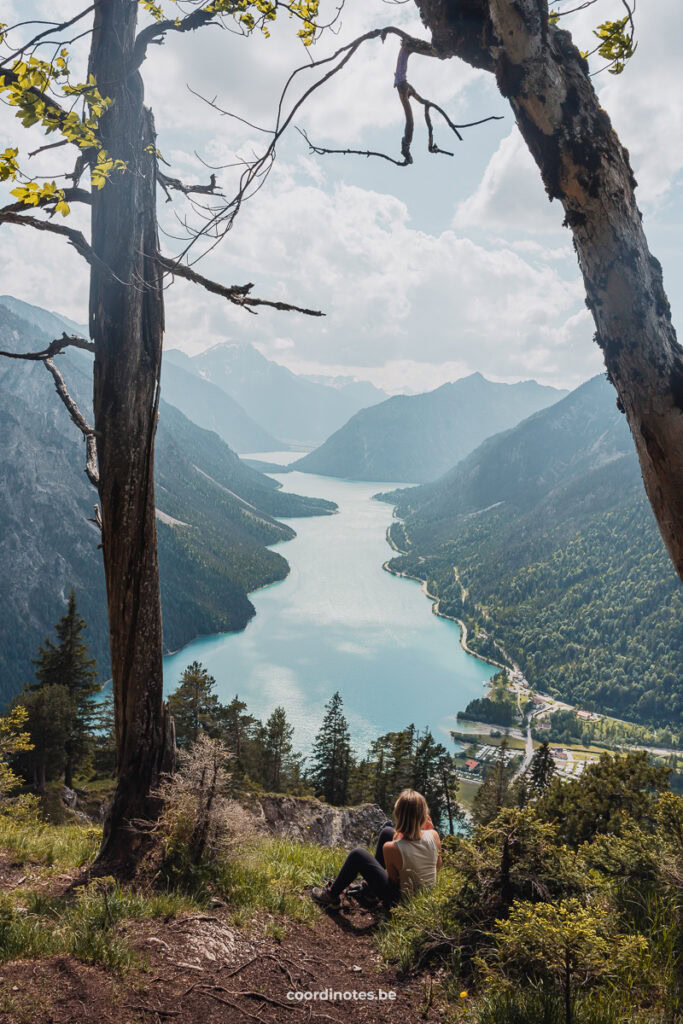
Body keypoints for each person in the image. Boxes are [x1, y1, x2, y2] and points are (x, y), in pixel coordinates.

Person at [311, 789, 442, 911]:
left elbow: (393, 881)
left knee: (358, 854)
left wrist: (397, 843)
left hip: (401, 903)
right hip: (424, 898)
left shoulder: (392, 848)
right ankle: (368, 894)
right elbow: (437, 867)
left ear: (397, 815)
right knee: (387, 832)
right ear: (424, 815)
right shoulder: (434, 835)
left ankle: (331, 896)